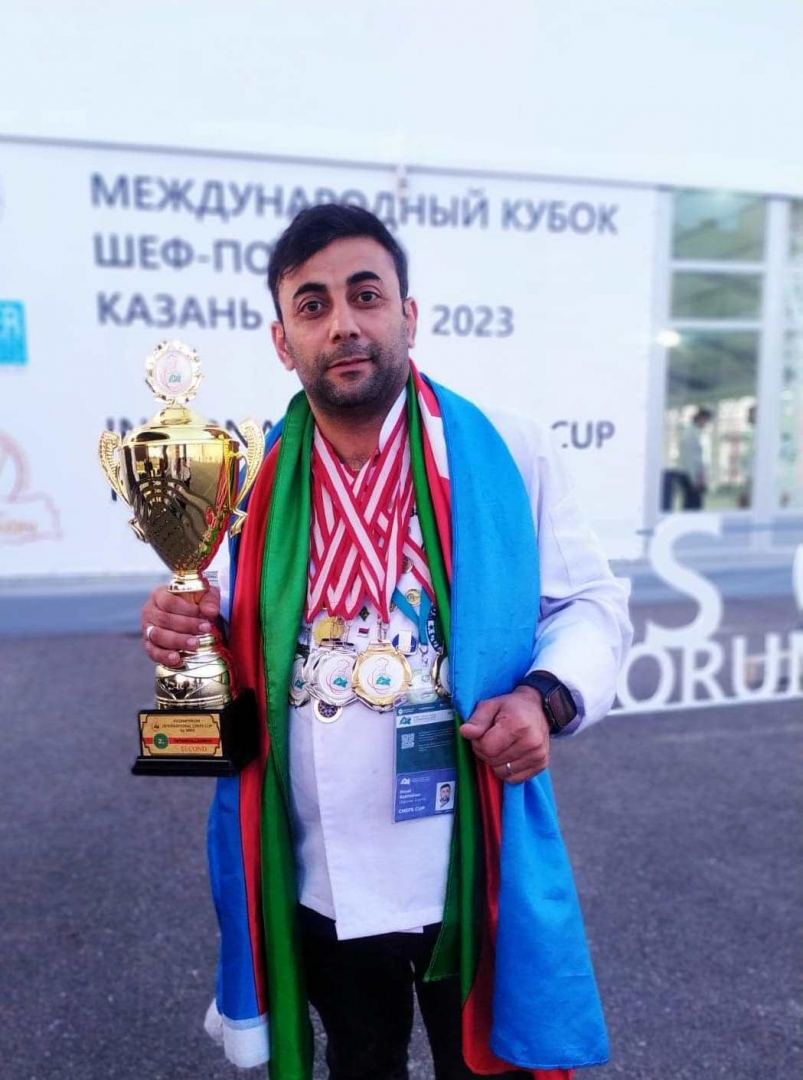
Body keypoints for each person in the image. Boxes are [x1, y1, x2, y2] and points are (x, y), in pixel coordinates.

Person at [141, 205, 632, 1080]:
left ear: (408, 314)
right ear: (282, 341)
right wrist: (183, 630)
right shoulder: (245, 475)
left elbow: (588, 604)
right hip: (319, 866)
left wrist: (544, 697)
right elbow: (219, 632)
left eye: (365, 296)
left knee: (483, 1065)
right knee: (361, 1060)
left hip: (464, 849)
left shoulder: (503, 449)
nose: (343, 324)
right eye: (313, 305)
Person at [677, 407, 713, 509]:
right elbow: (689, 459)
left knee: (696, 505)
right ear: (700, 418)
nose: (707, 423)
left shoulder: (698, 432)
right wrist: (694, 480)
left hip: (695, 476)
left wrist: (703, 477)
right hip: (690, 476)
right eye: (706, 420)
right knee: (692, 507)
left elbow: (700, 457)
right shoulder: (690, 433)